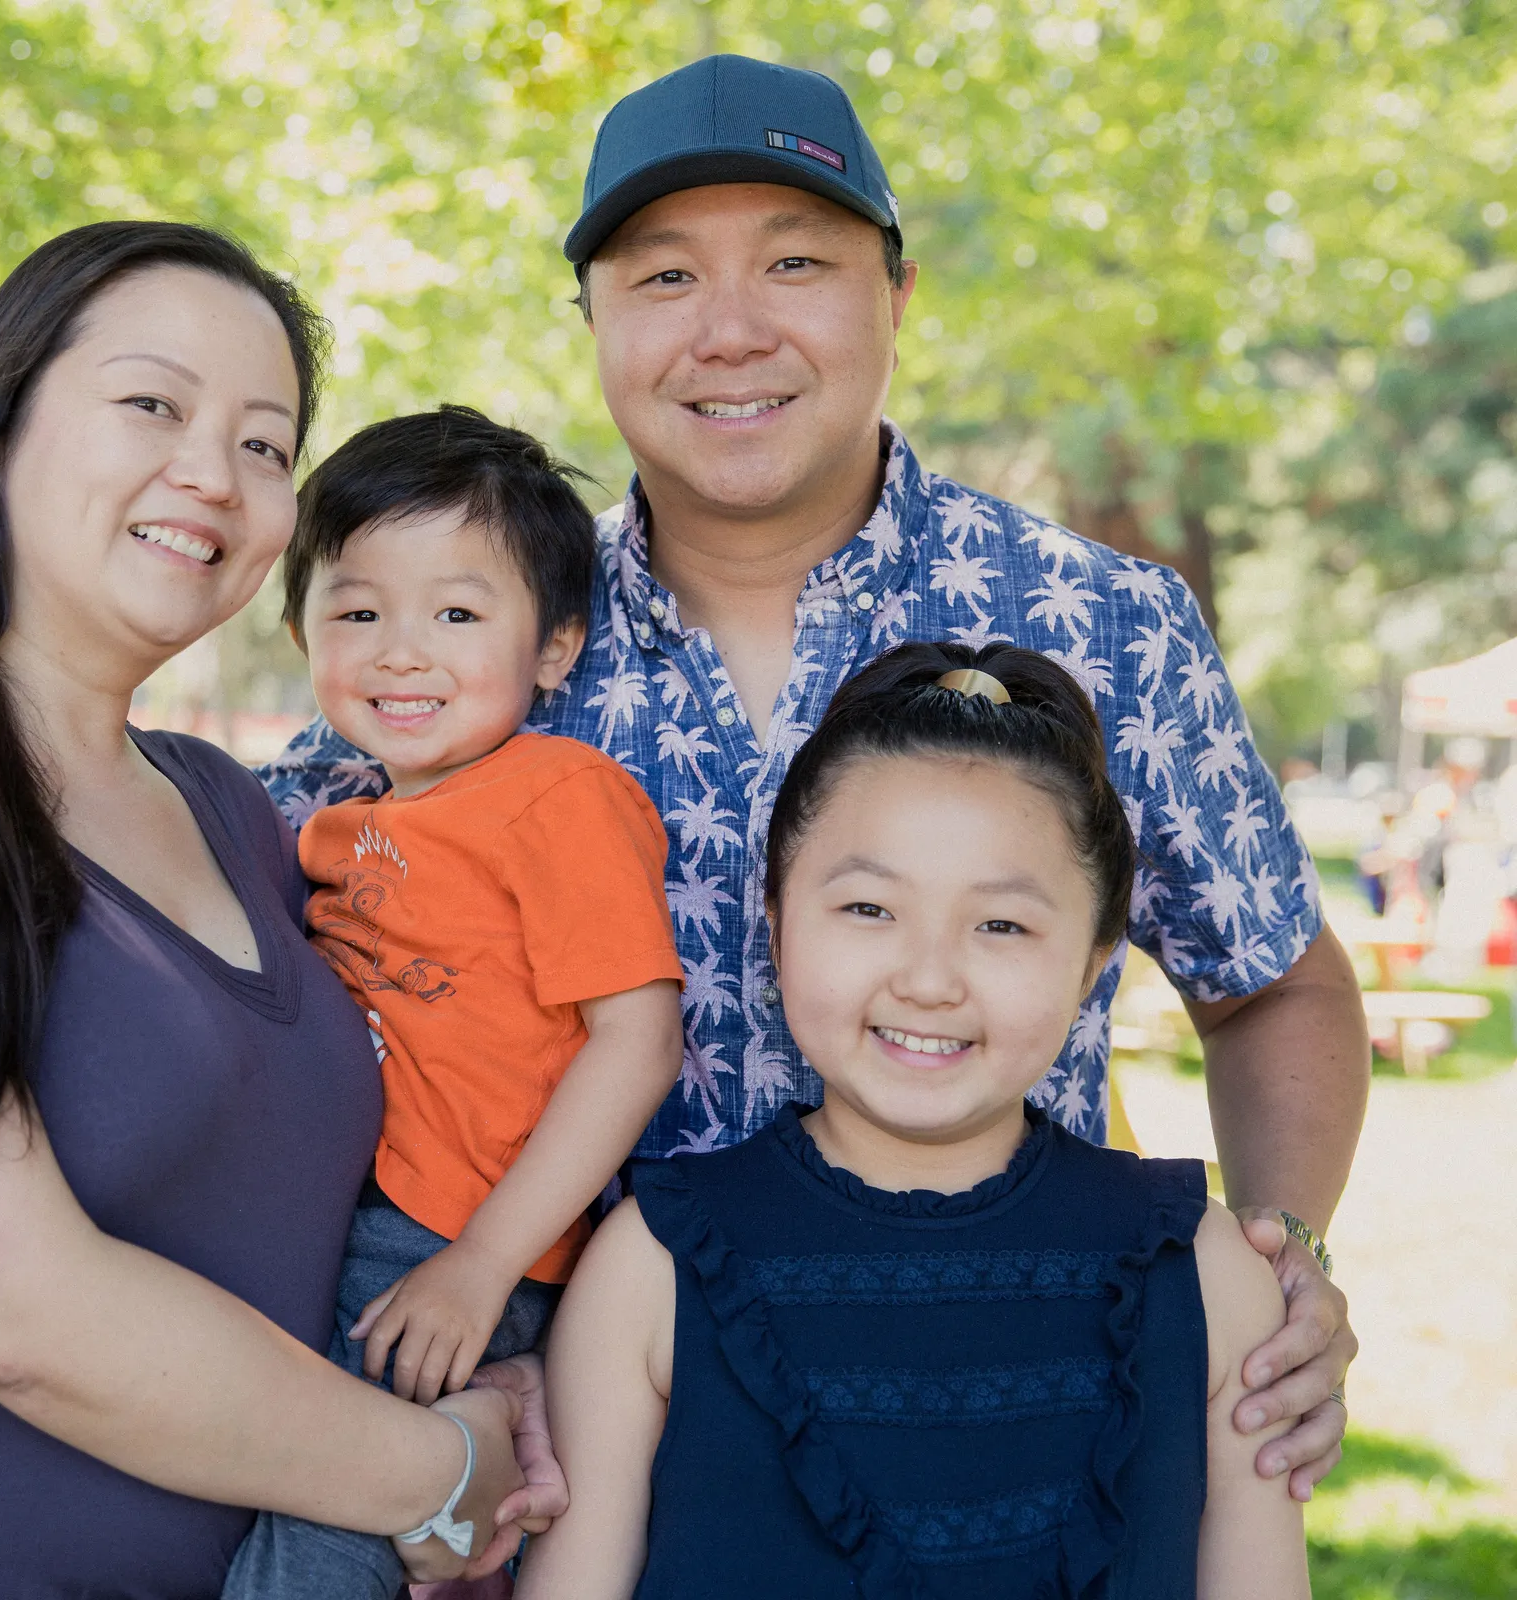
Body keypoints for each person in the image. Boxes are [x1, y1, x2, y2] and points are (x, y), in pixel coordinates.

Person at [264, 53, 1368, 1494]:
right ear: (591, 318)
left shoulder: (1101, 621)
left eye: (793, 263)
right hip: (588, 1462)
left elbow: (1272, 983)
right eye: (664, 277)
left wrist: (1288, 1263)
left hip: (1011, 1427)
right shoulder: (461, 652)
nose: (729, 332)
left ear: (896, 296)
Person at [0, 223, 558, 1598]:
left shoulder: (239, 815)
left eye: (264, 444)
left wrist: (503, 1355)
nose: (212, 472)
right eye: (152, 403)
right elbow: (7, 1305)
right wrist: (433, 1474)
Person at [515, 643, 1310, 1599]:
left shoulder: (1208, 1274)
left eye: (1001, 925)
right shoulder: (651, 1266)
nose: (929, 980)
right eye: (868, 908)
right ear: (775, 923)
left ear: (1096, 961)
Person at [223, 407, 684, 1600]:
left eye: (457, 615)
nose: (400, 653)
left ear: (555, 645)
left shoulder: (557, 797)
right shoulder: (337, 826)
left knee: (322, 1522)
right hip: (336, 1218)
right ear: (301, 628)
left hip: (444, 1232)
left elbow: (637, 1040)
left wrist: (483, 1262)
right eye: (358, 613)